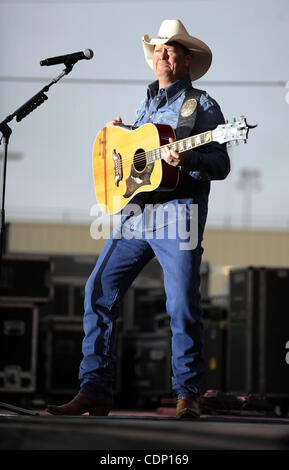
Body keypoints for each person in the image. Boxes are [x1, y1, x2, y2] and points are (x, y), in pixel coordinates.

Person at [47, 19, 230, 419]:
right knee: (97, 288)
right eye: (158, 49)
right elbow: (136, 161)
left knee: (181, 301)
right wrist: (120, 141)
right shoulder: (145, 104)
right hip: (136, 214)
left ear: (186, 60)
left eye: (171, 49)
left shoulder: (201, 105)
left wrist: (190, 157)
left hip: (178, 215)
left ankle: (188, 394)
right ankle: (94, 389)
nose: (162, 54)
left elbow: (221, 163)